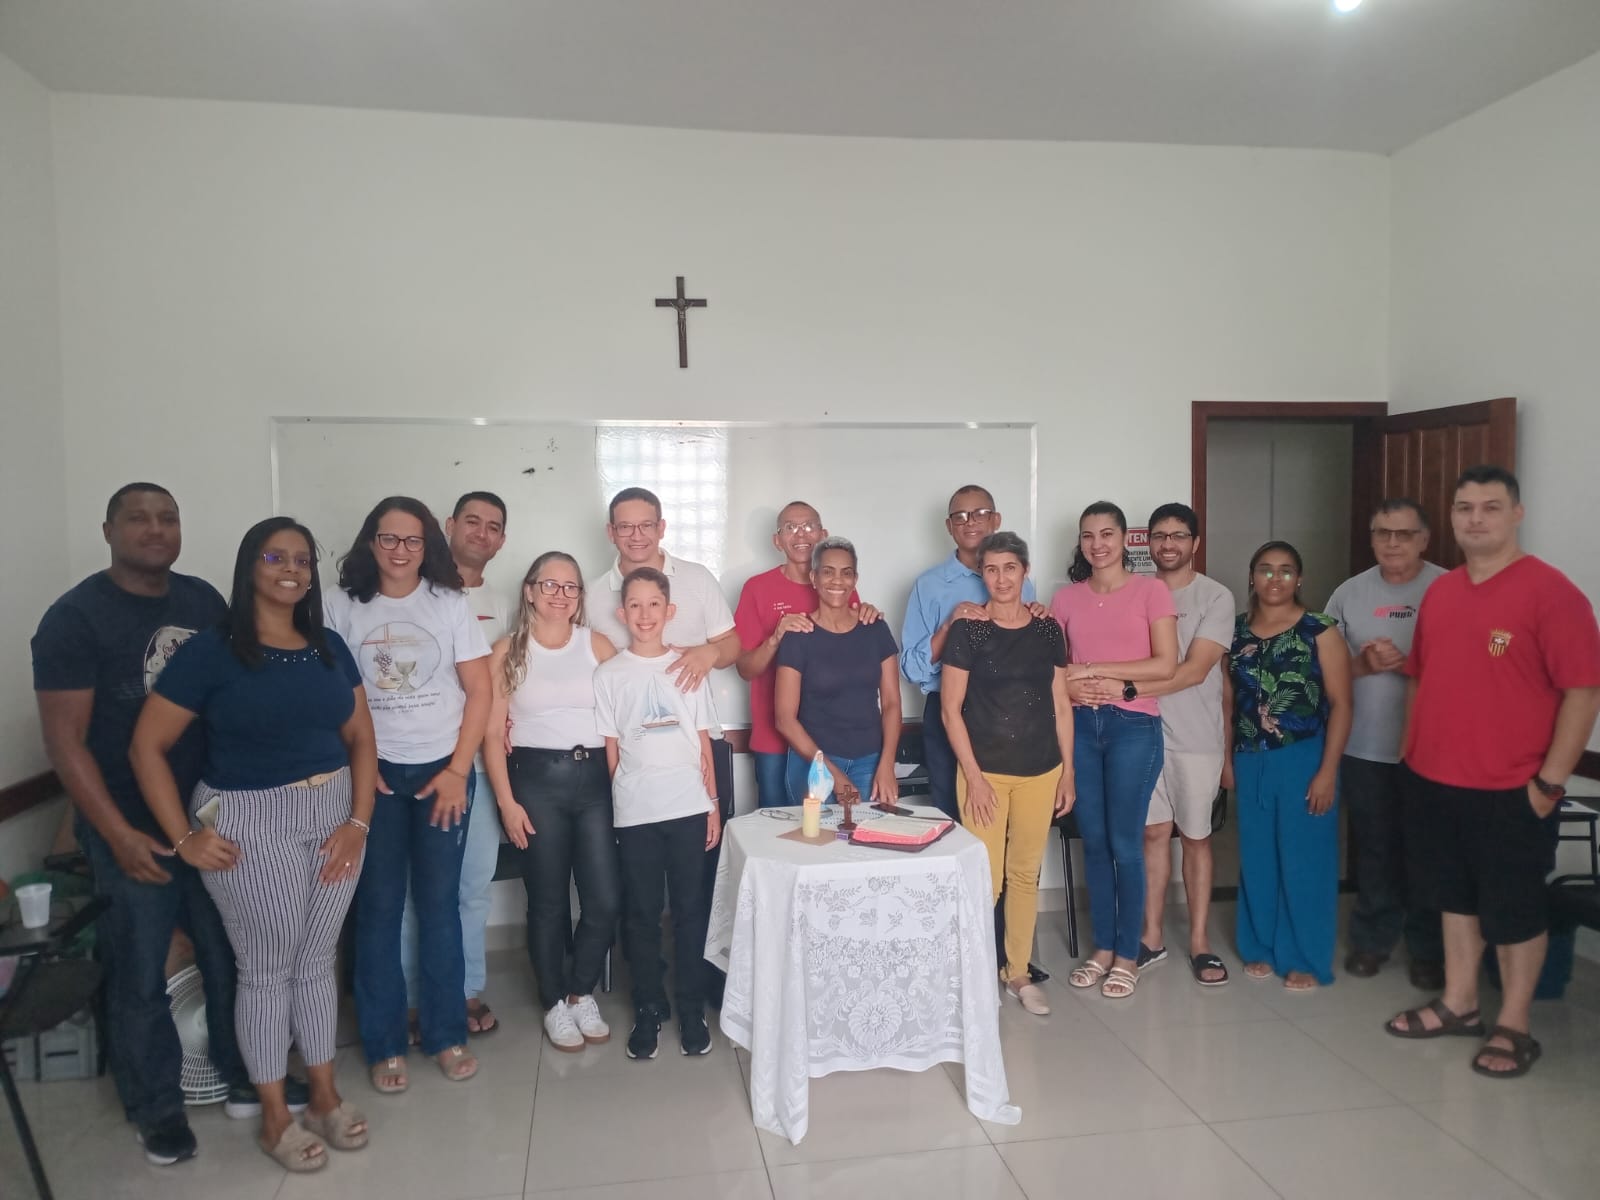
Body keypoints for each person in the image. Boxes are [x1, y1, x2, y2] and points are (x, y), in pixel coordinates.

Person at [128, 517, 377, 1172]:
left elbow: (361, 737)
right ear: (249, 567)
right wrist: (184, 838)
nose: (291, 568)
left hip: (333, 815)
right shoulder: (213, 651)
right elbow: (147, 746)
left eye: (302, 559)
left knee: (316, 961)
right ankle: (274, 1117)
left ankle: (323, 1096)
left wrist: (358, 822)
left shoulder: (328, 646)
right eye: (275, 557)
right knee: (266, 971)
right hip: (248, 819)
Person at [32, 482, 252, 1166]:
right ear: (108, 530)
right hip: (130, 825)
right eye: (138, 518)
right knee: (140, 967)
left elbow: (232, 698)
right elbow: (65, 742)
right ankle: (156, 1108)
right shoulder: (75, 619)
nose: (155, 529)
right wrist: (115, 834)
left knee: (225, 953)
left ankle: (240, 1074)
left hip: (206, 817)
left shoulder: (203, 603)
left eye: (168, 518)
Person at [1386, 466, 1600, 1078]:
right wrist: (1409, 754)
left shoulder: (1551, 594)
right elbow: (1421, 677)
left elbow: (1583, 692)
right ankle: (1459, 1003)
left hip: (1512, 788)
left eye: (1490, 507)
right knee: (1454, 899)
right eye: (1464, 508)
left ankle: (1514, 1024)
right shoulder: (1443, 592)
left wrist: (1549, 784)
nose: (1475, 518)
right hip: (1434, 780)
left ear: (1516, 514)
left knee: (1515, 909)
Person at [323, 496, 491, 1093]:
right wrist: (357, 765)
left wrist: (457, 770)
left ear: (428, 547)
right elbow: (327, 693)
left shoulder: (449, 603)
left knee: (440, 905)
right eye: (389, 539)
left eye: (412, 540)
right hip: (375, 776)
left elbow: (480, 691)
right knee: (378, 908)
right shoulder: (339, 604)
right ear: (371, 542)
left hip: (442, 772)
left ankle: (446, 1034)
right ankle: (385, 1043)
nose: (400, 550)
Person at [1078, 503, 1233, 987]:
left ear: (1195, 543)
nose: (1168, 544)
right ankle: (1150, 937)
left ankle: (1200, 942)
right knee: (1149, 835)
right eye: (1160, 536)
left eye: (1179, 536)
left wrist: (1121, 688)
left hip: (1194, 736)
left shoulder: (1215, 596)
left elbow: (1192, 670)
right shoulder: (1134, 590)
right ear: (1145, 542)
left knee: (1196, 836)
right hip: (1140, 733)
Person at [483, 551, 622, 1053]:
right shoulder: (507, 650)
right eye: (550, 585)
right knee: (547, 901)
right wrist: (506, 803)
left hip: (596, 782)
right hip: (535, 783)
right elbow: (491, 733)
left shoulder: (597, 645)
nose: (560, 595)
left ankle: (580, 991)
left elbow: (624, 713)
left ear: (580, 596)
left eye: (570, 587)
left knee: (604, 899)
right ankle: (553, 1003)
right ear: (529, 590)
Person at [940, 532, 1074, 1015]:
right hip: (986, 773)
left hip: (1041, 769)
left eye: (1010, 568)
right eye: (991, 569)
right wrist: (974, 777)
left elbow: (1062, 703)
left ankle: (1017, 972)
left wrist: (1068, 772)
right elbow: (951, 710)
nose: (1001, 579)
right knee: (985, 879)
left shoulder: (1047, 629)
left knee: (1023, 875)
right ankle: (973, 973)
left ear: (1025, 571)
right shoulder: (968, 630)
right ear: (982, 574)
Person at [593, 568, 722, 1061]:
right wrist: (621, 803)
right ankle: (648, 1006)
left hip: (688, 805)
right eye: (635, 605)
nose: (644, 615)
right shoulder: (609, 675)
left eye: (654, 605)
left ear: (670, 611)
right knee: (642, 913)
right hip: (636, 812)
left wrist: (712, 805)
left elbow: (703, 743)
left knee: (690, 911)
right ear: (621, 612)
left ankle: (691, 1009)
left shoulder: (689, 668)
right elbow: (612, 749)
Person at [397, 491, 511, 1040]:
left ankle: (464, 990)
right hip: (420, 763)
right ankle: (412, 998)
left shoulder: (508, 603)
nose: (481, 533)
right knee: (413, 889)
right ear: (448, 525)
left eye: (493, 526)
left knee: (472, 885)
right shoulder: (413, 594)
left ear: (502, 540)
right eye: (472, 521)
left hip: (482, 769)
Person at [1054, 501, 1178, 1000]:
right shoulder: (1065, 598)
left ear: (1126, 539)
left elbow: (1165, 664)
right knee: (1095, 843)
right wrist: (1073, 682)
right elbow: (1055, 672)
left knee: (1126, 844)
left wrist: (1095, 670)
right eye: (1088, 535)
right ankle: (1103, 948)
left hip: (1133, 726)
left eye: (1107, 534)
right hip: (1081, 727)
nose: (1097, 544)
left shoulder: (1151, 591)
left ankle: (1129, 954)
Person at [1325, 499, 1447, 987]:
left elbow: (1470, 668)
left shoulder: (1449, 589)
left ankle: (1428, 949)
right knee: (1374, 848)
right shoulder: (1349, 593)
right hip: (1364, 748)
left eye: (1404, 533)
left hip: (1434, 751)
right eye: (1382, 533)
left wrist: (1412, 660)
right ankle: (1372, 940)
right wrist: (1363, 664)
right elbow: (1324, 670)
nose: (1392, 543)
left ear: (1424, 539)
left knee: (1428, 850)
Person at [1227, 540, 1352, 990]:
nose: (1275, 578)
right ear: (1252, 577)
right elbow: (1227, 702)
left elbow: (1342, 704)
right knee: (1258, 856)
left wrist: (1327, 771)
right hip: (1249, 757)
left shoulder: (1320, 630)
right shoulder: (1235, 631)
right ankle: (1260, 945)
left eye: (1285, 570)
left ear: (1299, 579)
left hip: (1304, 757)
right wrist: (1226, 760)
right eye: (1265, 569)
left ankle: (1305, 956)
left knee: (1305, 859)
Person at [901, 485, 1037, 819]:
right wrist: (950, 625)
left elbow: (1030, 657)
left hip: (1008, 710)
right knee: (953, 816)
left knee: (1004, 816)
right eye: (960, 516)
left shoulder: (1021, 582)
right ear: (949, 526)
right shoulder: (928, 585)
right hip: (949, 709)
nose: (970, 522)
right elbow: (911, 670)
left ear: (996, 520)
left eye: (980, 513)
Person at [734, 501, 877, 808]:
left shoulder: (838, 586)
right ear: (777, 540)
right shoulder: (757, 589)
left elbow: (854, 651)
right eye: (790, 527)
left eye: (809, 526)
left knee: (838, 827)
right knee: (777, 826)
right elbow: (745, 669)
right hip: (774, 736)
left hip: (829, 741)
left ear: (823, 534)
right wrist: (776, 638)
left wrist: (867, 614)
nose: (801, 534)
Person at [773, 537, 901, 805]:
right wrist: (832, 774)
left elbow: (891, 703)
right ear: (814, 578)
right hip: (814, 762)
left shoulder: (875, 629)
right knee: (818, 833)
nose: (837, 581)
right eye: (828, 572)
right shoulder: (798, 635)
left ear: (855, 580)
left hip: (870, 760)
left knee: (869, 831)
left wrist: (888, 763)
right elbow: (784, 719)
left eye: (846, 573)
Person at [588, 487, 737, 691]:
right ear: (611, 532)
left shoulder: (699, 578)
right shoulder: (590, 595)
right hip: (619, 711)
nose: (636, 536)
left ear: (661, 528)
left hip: (691, 710)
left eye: (646, 525)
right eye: (625, 527)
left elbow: (731, 644)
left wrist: (713, 652)